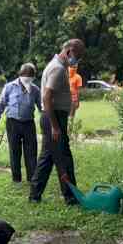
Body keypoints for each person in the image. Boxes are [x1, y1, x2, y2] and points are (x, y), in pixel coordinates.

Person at [29, 39, 86, 205]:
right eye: (78, 56)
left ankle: (34, 195)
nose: (78, 61)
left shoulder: (58, 66)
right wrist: (55, 126)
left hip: (53, 118)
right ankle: (71, 197)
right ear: (69, 52)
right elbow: (47, 97)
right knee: (64, 158)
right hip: (52, 118)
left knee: (47, 158)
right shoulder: (57, 68)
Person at [0, 63, 41, 184]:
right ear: (21, 74)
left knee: (31, 152)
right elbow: (1, 103)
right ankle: (16, 179)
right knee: (14, 151)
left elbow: (41, 107)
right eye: (26, 76)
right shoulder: (9, 87)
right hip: (13, 123)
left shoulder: (35, 89)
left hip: (29, 123)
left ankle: (31, 178)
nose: (28, 78)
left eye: (31, 76)